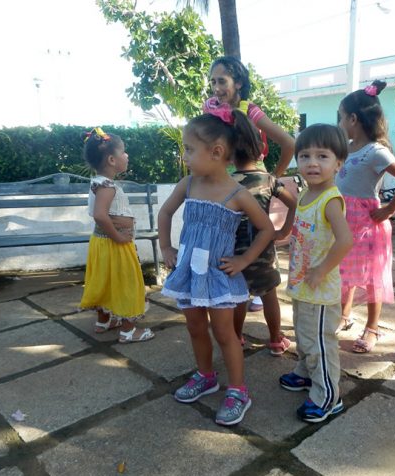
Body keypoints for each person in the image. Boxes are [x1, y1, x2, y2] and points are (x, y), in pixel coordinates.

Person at [158, 111, 274, 426]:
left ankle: (238, 391)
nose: (184, 157)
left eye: (189, 150)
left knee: (225, 333)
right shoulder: (188, 184)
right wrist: (166, 247)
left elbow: (266, 230)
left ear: (217, 152)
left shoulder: (238, 195)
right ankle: (205, 376)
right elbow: (166, 212)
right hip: (189, 272)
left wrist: (244, 260)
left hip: (218, 276)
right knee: (195, 327)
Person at [205, 100, 298, 356]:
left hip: (232, 256)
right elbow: (295, 204)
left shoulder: (223, 182)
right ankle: (276, 339)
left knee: (238, 299)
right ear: (259, 149)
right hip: (264, 253)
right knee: (269, 296)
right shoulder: (268, 180)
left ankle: (236, 338)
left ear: (228, 152)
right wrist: (284, 231)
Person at [279, 124, 353, 422]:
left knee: (320, 343)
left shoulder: (330, 199)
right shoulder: (307, 196)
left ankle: (328, 396)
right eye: (305, 155)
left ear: (338, 163)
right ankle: (306, 371)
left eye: (322, 156)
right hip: (302, 284)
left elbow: (346, 241)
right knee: (304, 333)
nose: (312, 162)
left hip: (320, 289)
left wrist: (322, 269)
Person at [336, 80, 395, 353]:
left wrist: (390, 209)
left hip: (367, 224)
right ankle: (343, 316)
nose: (340, 122)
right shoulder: (346, 148)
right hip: (343, 222)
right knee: (343, 271)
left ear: (353, 118)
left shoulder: (375, 151)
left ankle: (372, 327)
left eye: (341, 117)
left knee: (371, 277)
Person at [78, 128, 154, 343]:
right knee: (126, 283)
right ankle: (129, 330)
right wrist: (118, 236)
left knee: (105, 280)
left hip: (101, 244)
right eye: (124, 152)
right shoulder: (107, 186)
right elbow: (100, 215)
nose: (127, 156)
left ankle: (104, 321)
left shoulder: (97, 182)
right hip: (115, 245)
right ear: (112, 159)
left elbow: (101, 214)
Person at [206, 56, 295, 177]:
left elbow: (289, 144)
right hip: (220, 177)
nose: (216, 88)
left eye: (222, 81)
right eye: (213, 82)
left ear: (238, 83)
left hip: (251, 179)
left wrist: (274, 178)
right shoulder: (210, 106)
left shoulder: (251, 111)